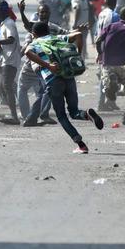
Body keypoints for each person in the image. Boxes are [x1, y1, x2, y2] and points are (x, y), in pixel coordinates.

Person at [24, 22, 104, 153]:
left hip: (53, 80)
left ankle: (81, 144)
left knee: (61, 116)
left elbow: (27, 52)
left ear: (34, 34)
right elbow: (78, 34)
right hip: (69, 77)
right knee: (74, 112)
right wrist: (79, 55)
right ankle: (87, 114)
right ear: (48, 30)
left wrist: (48, 66)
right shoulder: (57, 38)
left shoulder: (35, 43)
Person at [96, 7, 125, 124]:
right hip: (124, 63)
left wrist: (100, 53)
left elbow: (98, 40)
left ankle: (111, 86)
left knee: (106, 81)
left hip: (108, 61)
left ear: (120, 17)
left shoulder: (111, 26)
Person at [0, 0, 21, 125]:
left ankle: (14, 116)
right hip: (6, 58)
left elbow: (11, 39)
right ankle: (14, 113)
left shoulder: (9, 23)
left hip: (11, 59)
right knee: (5, 84)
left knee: (7, 86)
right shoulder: (4, 23)